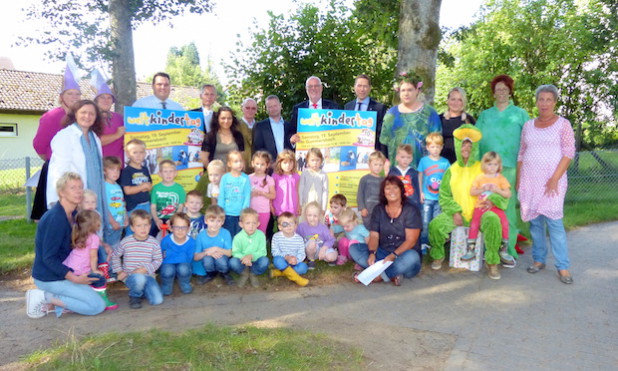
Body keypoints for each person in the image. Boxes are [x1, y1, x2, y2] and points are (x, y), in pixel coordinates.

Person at [428, 125, 507, 279]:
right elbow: (444, 195)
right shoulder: (452, 169)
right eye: (463, 144)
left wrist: (491, 201)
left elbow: (496, 188)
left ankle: (491, 261)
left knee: (493, 220)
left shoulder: (482, 168)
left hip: (480, 212)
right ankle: (438, 255)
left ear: (475, 147)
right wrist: (455, 212)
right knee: (435, 225)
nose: (466, 148)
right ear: (458, 146)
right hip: (459, 213)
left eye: (470, 146)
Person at [517, 84, 575, 284]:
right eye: (541, 99)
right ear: (536, 101)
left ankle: (563, 266)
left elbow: (568, 153)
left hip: (553, 182)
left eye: (548, 99)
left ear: (555, 102)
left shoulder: (563, 124)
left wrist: (554, 178)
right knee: (535, 222)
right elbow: (522, 153)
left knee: (554, 223)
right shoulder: (528, 126)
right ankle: (539, 260)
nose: (544, 103)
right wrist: (519, 180)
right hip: (530, 180)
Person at [27, 172, 106, 319]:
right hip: (49, 277)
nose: (78, 191)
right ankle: (45, 297)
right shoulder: (55, 219)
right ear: (61, 192)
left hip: (66, 272)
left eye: (80, 187)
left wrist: (104, 245)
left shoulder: (75, 214)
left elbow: (87, 240)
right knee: (96, 306)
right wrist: (75, 279)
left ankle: (55, 301)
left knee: (94, 299)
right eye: (73, 187)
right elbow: (48, 258)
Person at [476, 74, 530, 261]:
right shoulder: (485, 115)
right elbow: (476, 142)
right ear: (493, 93)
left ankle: (508, 249)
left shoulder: (520, 114)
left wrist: (524, 170)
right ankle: (488, 247)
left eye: (505, 89)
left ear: (510, 92)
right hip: (487, 170)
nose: (501, 92)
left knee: (507, 209)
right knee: (486, 207)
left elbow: (528, 142)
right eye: (498, 89)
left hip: (510, 168)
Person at [46, 100, 109, 234]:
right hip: (74, 197)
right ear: (75, 114)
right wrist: (63, 200)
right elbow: (60, 172)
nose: (87, 116)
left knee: (93, 236)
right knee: (77, 237)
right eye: (83, 112)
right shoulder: (65, 136)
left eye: (91, 113)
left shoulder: (95, 138)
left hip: (93, 196)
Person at [31, 59, 82, 220]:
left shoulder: (80, 117)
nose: (74, 97)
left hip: (76, 168)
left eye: (77, 94)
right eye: (70, 93)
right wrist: (52, 161)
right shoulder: (52, 116)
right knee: (53, 212)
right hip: (56, 170)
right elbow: (39, 145)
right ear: (62, 97)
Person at [350, 175, 422, 286]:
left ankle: (378, 275)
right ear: (383, 192)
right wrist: (372, 253)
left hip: (403, 255)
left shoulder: (411, 210)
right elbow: (374, 236)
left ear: (401, 190)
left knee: (412, 257)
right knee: (354, 249)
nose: (391, 191)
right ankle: (392, 274)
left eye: (395, 188)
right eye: (388, 188)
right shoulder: (378, 209)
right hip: (383, 253)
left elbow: (411, 241)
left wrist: (393, 255)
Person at [380, 71, 441, 169]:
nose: (406, 93)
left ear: (417, 90)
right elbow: (383, 143)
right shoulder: (391, 114)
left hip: (422, 170)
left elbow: (436, 142)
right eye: (403, 90)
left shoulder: (430, 113)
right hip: (396, 171)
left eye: (410, 90)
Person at [462, 152, 512, 265]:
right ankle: (471, 249)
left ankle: (503, 249)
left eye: (495, 164)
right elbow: (472, 192)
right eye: (489, 164)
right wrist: (482, 189)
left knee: (504, 223)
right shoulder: (480, 178)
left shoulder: (501, 178)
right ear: (484, 165)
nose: (492, 167)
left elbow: (508, 194)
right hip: (480, 207)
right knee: (474, 225)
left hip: (495, 206)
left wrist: (497, 190)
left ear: (499, 166)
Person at [63, 209, 118, 310]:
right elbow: (93, 256)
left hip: (69, 268)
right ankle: (102, 299)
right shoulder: (93, 238)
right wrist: (95, 270)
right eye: (98, 221)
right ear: (93, 224)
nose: (100, 223)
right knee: (99, 279)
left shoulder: (77, 234)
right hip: (80, 271)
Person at [111, 209, 164, 309]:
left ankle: (141, 291)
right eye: (139, 226)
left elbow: (158, 260)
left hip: (148, 275)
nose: (143, 228)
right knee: (139, 278)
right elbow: (115, 255)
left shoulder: (153, 242)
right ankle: (134, 296)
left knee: (157, 300)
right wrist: (119, 271)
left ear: (150, 225)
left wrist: (145, 269)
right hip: (131, 276)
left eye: (146, 225)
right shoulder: (126, 241)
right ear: (132, 228)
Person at [417, 133, 450, 251]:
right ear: (427, 147)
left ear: (442, 147)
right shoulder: (424, 161)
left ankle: (435, 243)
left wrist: (446, 196)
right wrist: (420, 192)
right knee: (425, 222)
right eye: (432, 147)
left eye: (437, 147)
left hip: (439, 199)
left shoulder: (445, 163)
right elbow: (420, 176)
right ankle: (423, 243)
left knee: (436, 223)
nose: (435, 149)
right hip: (426, 197)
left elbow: (448, 180)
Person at [344, 74, 388, 155]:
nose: (362, 89)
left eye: (365, 86)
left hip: (372, 153)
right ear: (354, 87)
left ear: (369, 88)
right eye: (359, 86)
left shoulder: (379, 108)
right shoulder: (348, 106)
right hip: (350, 150)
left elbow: (382, 134)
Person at [193, 205, 235, 285]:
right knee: (207, 259)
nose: (215, 224)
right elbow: (196, 257)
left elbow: (230, 253)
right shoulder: (201, 235)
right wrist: (207, 253)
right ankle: (210, 274)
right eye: (212, 221)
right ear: (206, 221)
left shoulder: (226, 233)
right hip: (208, 258)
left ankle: (224, 273)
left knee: (220, 259)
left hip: (222, 258)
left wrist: (216, 249)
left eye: (218, 221)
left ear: (223, 222)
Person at [91, 69, 125, 166]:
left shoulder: (118, 117)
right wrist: (116, 135)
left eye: (109, 97)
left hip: (119, 167)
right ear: (96, 100)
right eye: (102, 97)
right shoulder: (91, 118)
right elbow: (93, 141)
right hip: (100, 167)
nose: (106, 100)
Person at [119, 139, 153, 234]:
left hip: (146, 205)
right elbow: (128, 191)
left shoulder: (145, 169)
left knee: (145, 231)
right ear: (128, 154)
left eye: (141, 152)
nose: (138, 155)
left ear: (145, 153)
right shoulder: (127, 171)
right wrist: (142, 187)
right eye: (134, 152)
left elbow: (150, 186)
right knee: (132, 232)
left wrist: (143, 187)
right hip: (133, 207)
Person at [229, 208, 269, 287]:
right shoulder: (238, 237)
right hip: (242, 260)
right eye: (247, 223)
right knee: (232, 262)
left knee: (265, 261)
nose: (251, 226)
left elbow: (263, 252)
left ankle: (253, 273)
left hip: (256, 260)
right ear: (241, 224)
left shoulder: (261, 235)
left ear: (258, 224)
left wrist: (251, 256)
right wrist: (244, 258)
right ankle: (244, 273)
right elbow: (235, 252)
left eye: (254, 223)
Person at [159, 213, 195, 295]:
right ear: (171, 228)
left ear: (188, 229)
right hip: (168, 263)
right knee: (167, 270)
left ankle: (185, 283)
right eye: (177, 227)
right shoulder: (166, 240)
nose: (180, 230)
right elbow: (162, 255)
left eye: (183, 227)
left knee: (184, 269)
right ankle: (166, 285)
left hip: (184, 263)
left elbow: (189, 258)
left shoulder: (191, 242)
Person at [253, 95, 296, 163]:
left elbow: (292, 146)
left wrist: (293, 143)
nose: (273, 109)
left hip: (287, 166)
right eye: (270, 107)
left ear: (280, 106)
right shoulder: (260, 126)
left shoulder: (289, 125)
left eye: (275, 105)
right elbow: (258, 148)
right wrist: (269, 163)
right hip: (269, 167)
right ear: (266, 109)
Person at [270, 212, 309, 286]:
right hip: (282, 260)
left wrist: (296, 260)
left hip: (294, 262)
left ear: (295, 226)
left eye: (291, 223)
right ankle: (297, 279)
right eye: (285, 224)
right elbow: (275, 252)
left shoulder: (299, 239)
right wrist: (286, 257)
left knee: (304, 267)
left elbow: (302, 253)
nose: (288, 226)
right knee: (277, 260)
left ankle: (279, 273)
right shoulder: (276, 237)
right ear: (280, 227)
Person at [218, 151, 251, 237]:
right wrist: (220, 212)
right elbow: (221, 195)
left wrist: (244, 212)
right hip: (227, 214)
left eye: (241, 161)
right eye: (236, 161)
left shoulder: (245, 178)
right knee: (228, 236)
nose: (239, 164)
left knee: (239, 236)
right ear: (229, 164)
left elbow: (247, 196)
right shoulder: (225, 178)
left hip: (240, 214)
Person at [439, 88, 476, 163]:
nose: (456, 103)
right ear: (448, 101)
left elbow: (475, 145)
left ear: (463, 102)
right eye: (453, 99)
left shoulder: (469, 120)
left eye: (460, 100)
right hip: (441, 165)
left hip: (463, 165)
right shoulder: (439, 119)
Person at [297, 201, 337, 268]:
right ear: (305, 215)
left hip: (320, 249)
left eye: (315, 216)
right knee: (312, 242)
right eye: (309, 215)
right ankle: (311, 260)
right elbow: (296, 238)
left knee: (331, 257)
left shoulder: (323, 227)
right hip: (308, 249)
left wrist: (324, 248)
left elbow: (331, 239)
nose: (312, 218)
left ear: (320, 216)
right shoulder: (301, 226)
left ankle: (335, 254)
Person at [150, 160, 186, 234]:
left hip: (173, 217)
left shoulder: (179, 188)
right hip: (158, 217)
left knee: (175, 234)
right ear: (160, 174)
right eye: (165, 171)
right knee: (150, 232)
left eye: (171, 171)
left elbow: (180, 207)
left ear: (175, 173)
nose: (168, 174)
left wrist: (173, 220)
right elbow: (153, 206)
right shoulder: (155, 188)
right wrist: (156, 220)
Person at [103, 156, 127, 250]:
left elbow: (122, 203)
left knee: (116, 248)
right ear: (104, 171)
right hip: (111, 226)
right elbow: (105, 207)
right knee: (110, 250)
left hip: (119, 224)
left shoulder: (117, 186)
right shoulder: (104, 186)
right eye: (112, 169)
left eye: (118, 170)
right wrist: (112, 221)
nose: (116, 172)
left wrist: (125, 217)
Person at [357, 151, 386, 229]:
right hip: (368, 211)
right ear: (369, 165)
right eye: (375, 164)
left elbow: (386, 195)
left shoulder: (384, 180)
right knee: (368, 230)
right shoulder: (364, 179)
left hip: (380, 211)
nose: (378, 167)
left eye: (380, 165)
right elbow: (360, 195)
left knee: (379, 229)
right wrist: (362, 208)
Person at [388, 144, 421, 210]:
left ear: (411, 159)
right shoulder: (392, 172)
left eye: (408, 157)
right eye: (402, 157)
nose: (405, 160)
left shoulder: (413, 172)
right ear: (397, 158)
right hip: (396, 203)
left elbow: (417, 188)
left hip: (411, 203)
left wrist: (418, 203)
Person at [249, 151, 276, 235]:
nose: (259, 167)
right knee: (250, 232)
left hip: (264, 211)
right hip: (251, 211)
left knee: (261, 233)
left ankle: (261, 248)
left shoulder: (269, 179)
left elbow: (273, 195)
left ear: (267, 165)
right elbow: (243, 195)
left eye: (262, 164)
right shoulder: (248, 178)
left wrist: (263, 193)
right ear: (252, 163)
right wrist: (251, 194)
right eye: (257, 164)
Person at [272, 150, 301, 216]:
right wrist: (271, 205)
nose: (288, 165)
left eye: (290, 162)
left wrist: (298, 205)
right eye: (285, 162)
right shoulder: (275, 176)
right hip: (280, 208)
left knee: (292, 225)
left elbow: (297, 191)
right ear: (280, 163)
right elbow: (271, 191)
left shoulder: (296, 176)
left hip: (293, 207)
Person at [299, 148, 329, 212]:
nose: (315, 163)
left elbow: (325, 192)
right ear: (308, 161)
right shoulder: (304, 174)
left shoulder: (323, 175)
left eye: (317, 160)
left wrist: (323, 208)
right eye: (312, 160)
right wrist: (300, 204)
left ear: (321, 161)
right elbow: (300, 190)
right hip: (306, 204)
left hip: (318, 204)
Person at [239, 98, 257, 171]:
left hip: (257, 168)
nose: (250, 111)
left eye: (253, 108)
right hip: (240, 166)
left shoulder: (260, 126)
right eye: (247, 108)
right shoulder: (235, 125)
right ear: (242, 108)